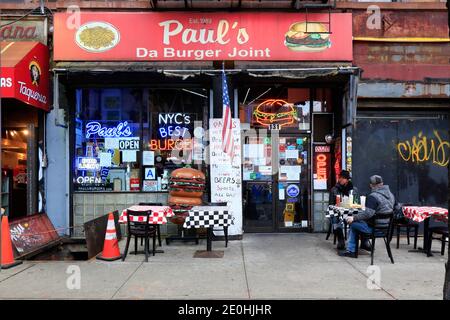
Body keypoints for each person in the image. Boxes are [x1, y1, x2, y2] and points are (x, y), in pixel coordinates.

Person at [339, 175, 396, 258]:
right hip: (386, 229)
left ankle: (351, 251)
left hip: (374, 229)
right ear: (382, 183)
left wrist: (353, 218)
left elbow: (367, 214)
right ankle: (363, 244)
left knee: (353, 223)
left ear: (371, 185)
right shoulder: (391, 195)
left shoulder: (373, 197)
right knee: (359, 222)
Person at [328, 170, 359, 250]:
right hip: (338, 211)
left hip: (350, 211)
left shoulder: (353, 189)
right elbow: (330, 204)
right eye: (339, 178)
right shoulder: (334, 189)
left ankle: (358, 241)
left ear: (347, 179)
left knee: (359, 216)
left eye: (343, 178)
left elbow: (356, 203)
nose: (340, 180)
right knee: (335, 217)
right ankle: (340, 239)